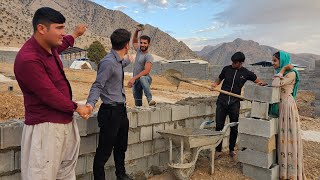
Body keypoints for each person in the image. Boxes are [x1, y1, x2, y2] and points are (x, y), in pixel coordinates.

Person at [14, 7, 88, 180]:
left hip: (64, 123)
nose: (63, 33)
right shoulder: (28, 59)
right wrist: (77, 107)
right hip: (45, 130)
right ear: (41, 29)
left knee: (65, 174)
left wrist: (76, 34)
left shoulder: (50, 47)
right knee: (42, 175)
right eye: (59, 28)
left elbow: (63, 43)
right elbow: (49, 94)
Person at [86, 29, 133, 180]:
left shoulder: (118, 61)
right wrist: (90, 104)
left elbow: (122, 64)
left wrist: (131, 57)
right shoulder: (108, 62)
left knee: (121, 147)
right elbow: (98, 85)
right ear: (126, 45)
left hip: (121, 110)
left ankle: (121, 175)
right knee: (104, 152)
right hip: (110, 112)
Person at [211, 51, 267, 158]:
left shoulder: (245, 73)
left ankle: (231, 149)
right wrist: (215, 84)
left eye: (235, 63)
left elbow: (256, 80)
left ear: (241, 63)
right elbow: (219, 78)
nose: (233, 64)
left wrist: (261, 83)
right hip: (222, 101)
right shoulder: (226, 69)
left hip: (234, 103)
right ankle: (218, 150)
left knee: (234, 127)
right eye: (232, 62)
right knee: (219, 126)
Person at [270, 51, 305, 180]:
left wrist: (284, 69)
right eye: (272, 60)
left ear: (283, 61)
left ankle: (289, 173)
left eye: (275, 61)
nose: (272, 63)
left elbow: (275, 84)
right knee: (282, 134)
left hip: (286, 106)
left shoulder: (290, 73)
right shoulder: (282, 74)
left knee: (287, 135)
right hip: (281, 106)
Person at [127, 25, 156, 106]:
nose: (142, 45)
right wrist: (137, 31)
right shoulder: (139, 51)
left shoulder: (149, 56)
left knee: (142, 78)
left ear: (149, 44)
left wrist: (133, 78)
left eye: (145, 43)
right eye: (141, 43)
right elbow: (134, 41)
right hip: (137, 82)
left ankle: (149, 99)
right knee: (138, 104)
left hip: (146, 79)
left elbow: (147, 71)